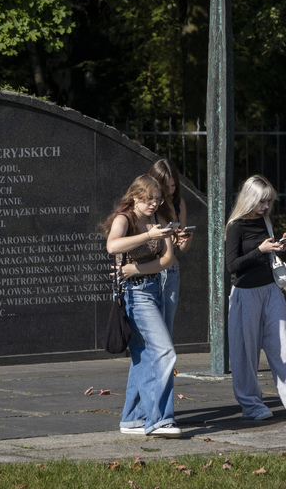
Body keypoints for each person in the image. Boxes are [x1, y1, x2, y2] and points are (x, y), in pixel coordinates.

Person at [225, 175, 286, 421]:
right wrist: (260, 251)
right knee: (246, 351)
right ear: (249, 199)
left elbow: (264, 252)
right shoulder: (236, 226)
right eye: (261, 201)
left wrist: (276, 248)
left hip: (270, 290)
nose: (266, 206)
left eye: (268, 201)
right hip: (245, 293)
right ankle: (251, 405)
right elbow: (232, 265)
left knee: (285, 345)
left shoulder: (265, 221)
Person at [100, 175, 181, 437]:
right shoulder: (124, 219)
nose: (154, 205)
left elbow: (168, 258)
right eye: (148, 200)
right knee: (164, 351)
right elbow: (112, 245)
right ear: (134, 196)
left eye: (157, 199)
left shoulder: (160, 219)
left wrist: (136, 268)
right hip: (135, 295)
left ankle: (133, 418)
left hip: (154, 287)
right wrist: (148, 235)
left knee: (143, 357)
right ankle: (159, 419)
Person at [148, 159, 193, 336]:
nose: (169, 191)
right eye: (165, 187)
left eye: (173, 186)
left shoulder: (178, 203)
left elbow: (183, 249)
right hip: (151, 270)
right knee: (154, 330)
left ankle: (167, 364)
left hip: (171, 270)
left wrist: (185, 238)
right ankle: (160, 364)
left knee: (167, 327)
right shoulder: (150, 206)